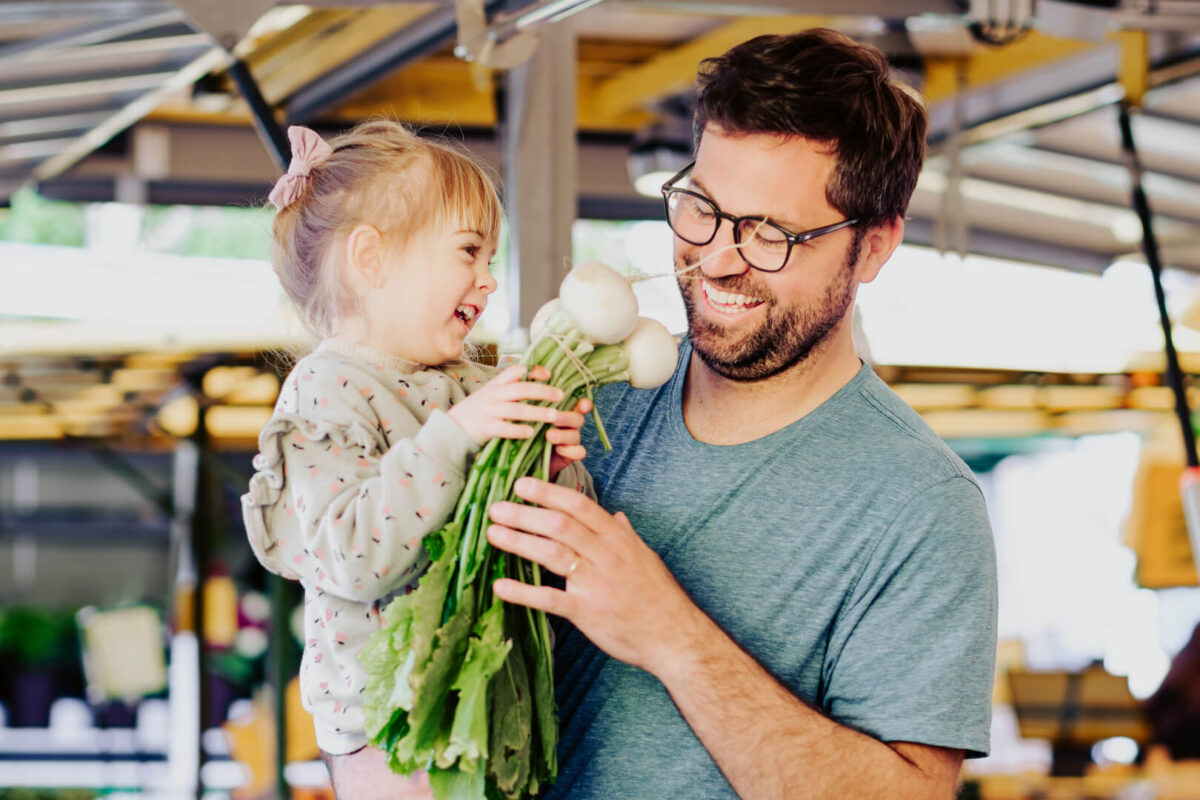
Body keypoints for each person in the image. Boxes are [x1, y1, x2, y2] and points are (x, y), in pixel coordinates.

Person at [485, 28, 998, 798]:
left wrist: (668, 634)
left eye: (772, 234)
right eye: (702, 209)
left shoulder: (921, 508)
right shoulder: (587, 401)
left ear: (875, 247)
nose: (719, 259)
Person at [240, 121, 592, 799]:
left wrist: (548, 472)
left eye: (491, 258)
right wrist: (457, 436)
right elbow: (351, 554)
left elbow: (527, 546)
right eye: (468, 252)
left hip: (489, 705)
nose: (488, 281)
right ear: (371, 259)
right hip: (391, 728)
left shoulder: (472, 383)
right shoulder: (326, 391)